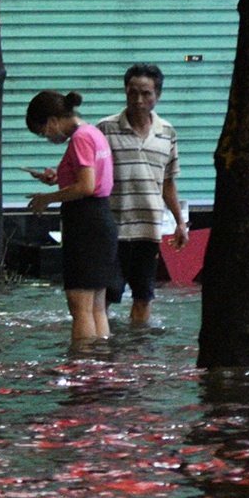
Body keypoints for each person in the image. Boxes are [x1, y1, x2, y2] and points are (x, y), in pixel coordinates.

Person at [25, 90, 117, 348]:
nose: (48, 137)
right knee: (97, 307)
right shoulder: (93, 133)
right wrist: (58, 178)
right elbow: (89, 178)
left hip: (86, 223)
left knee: (80, 308)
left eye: (44, 132)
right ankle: (99, 366)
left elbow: (86, 186)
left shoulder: (80, 139)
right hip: (100, 221)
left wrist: (48, 198)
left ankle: (83, 368)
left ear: (53, 121)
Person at [99, 62, 188, 328]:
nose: (139, 99)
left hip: (148, 230)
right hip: (112, 228)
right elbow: (90, 173)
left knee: (143, 295)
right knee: (104, 296)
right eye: (133, 92)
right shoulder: (105, 128)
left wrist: (180, 222)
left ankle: (138, 349)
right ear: (125, 92)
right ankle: (101, 352)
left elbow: (168, 183)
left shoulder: (167, 133)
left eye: (146, 93)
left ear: (157, 96)